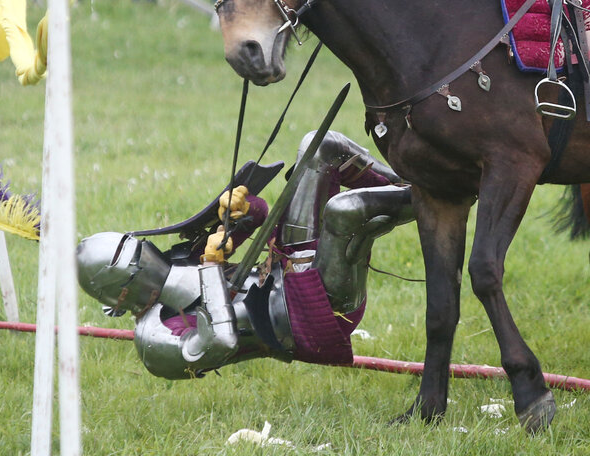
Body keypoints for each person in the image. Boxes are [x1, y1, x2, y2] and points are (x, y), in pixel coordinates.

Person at [75, 131, 413, 380]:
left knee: (320, 145)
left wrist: (237, 209)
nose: (143, 256)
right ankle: (439, 193)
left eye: (134, 246)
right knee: (343, 211)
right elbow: (220, 341)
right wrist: (210, 268)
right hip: (312, 313)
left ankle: (416, 178)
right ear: (119, 289)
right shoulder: (153, 342)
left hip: (290, 269)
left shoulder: (178, 260)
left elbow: (261, 216)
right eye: (130, 259)